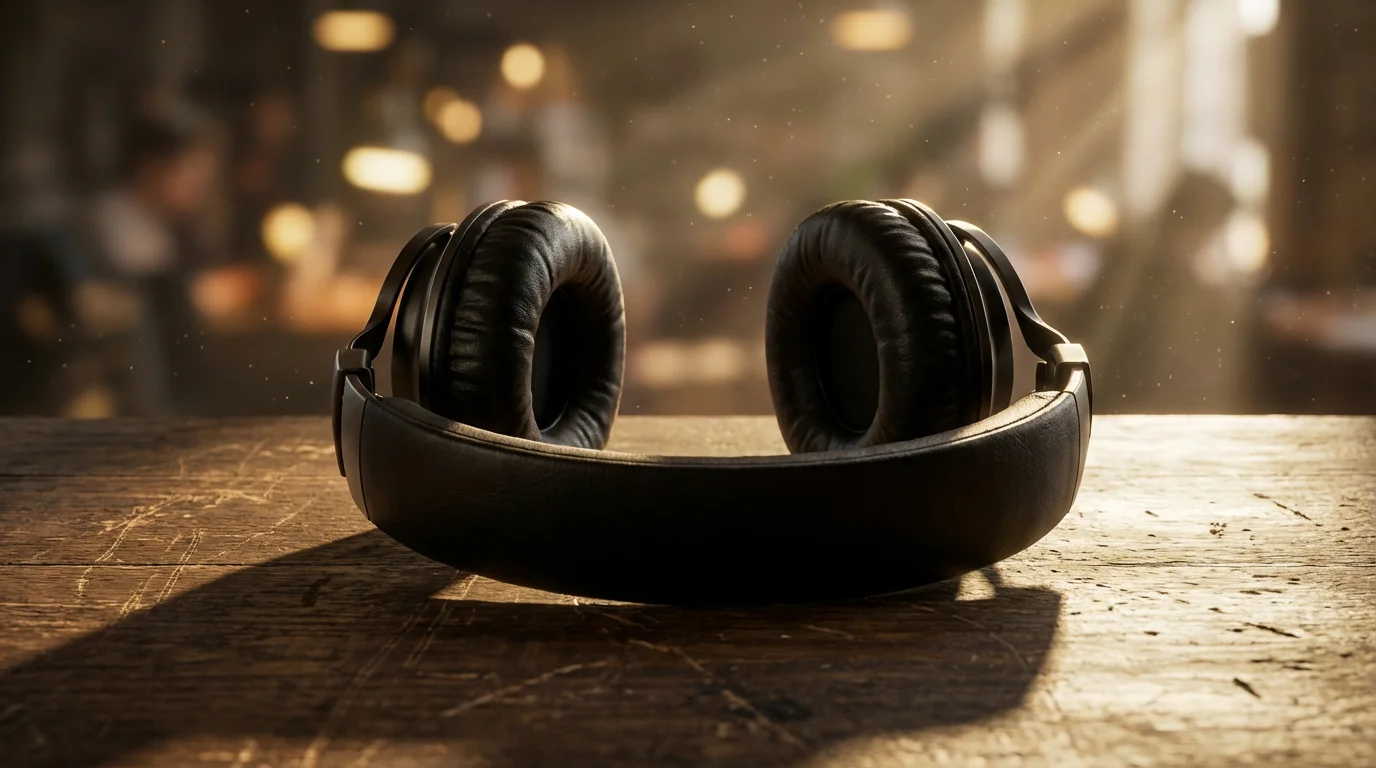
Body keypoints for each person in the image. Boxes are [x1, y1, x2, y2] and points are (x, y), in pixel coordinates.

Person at [81, 114, 219, 415]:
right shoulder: (115, 222)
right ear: (152, 170)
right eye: (190, 171)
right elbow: (153, 297)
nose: (200, 185)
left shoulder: (158, 223)